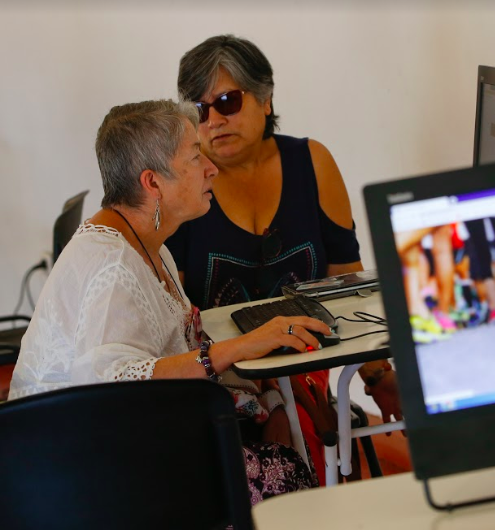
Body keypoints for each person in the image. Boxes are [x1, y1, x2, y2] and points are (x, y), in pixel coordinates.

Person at [9, 100, 330, 502]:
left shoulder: (149, 244)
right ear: (153, 182)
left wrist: (271, 401)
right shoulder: (112, 266)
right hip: (78, 480)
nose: (211, 167)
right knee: (284, 478)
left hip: (119, 450)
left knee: (283, 456)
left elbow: (178, 349)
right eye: (196, 157)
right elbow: (108, 383)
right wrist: (238, 349)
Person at [167, 35, 403, 482]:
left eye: (226, 101)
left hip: (303, 367)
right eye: (200, 110)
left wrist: (378, 377)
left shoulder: (312, 164)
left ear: (266, 98)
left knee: (309, 442)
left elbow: (349, 291)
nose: (213, 120)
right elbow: (174, 322)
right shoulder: (186, 185)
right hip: (219, 381)